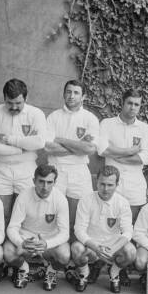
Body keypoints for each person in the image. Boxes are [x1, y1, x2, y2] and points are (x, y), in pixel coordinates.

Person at [0, 79, 47, 282]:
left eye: (18, 103)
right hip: (1, 168)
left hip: (27, 169)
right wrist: (22, 147)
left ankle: (21, 262)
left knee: (24, 216)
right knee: (0, 215)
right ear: (4, 98)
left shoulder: (36, 114)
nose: (13, 107)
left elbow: (39, 142)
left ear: (25, 99)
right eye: (9, 102)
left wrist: (11, 140)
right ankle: (1, 263)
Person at [95, 88, 148, 285]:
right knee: (105, 223)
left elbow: (144, 158)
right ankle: (97, 264)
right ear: (122, 102)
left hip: (135, 184)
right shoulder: (107, 124)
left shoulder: (144, 128)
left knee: (128, 227)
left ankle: (121, 267)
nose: (133, 107)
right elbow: (102, 150)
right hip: (112, 183)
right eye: (130, 103)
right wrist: (129, 151)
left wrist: (116, 154)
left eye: (137, 104)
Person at [3, 165, 70, 290]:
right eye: (41, 182)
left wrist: (47, 243)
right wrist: (21, 242)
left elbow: (65, 233)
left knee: (65, 255)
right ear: (34, 181)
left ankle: (51, 271)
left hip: (49, 240)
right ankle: (24, 268)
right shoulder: (23, 196)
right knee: (7, 252)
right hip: (26, 238)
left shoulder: (60, 199)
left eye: (49, 182)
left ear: (55, 182)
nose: (45, 187)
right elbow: (12, 227)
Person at [71, 166, 136, 293]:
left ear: (117, 184)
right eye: (102, 184)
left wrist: (114, 248)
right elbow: (79, 230)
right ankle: (84, 273)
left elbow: (128, 232)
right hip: (91, 245)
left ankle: (114, 272)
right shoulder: (86, 200)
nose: (105, 189)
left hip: (113, 245)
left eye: (110, 185)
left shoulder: (122, 202)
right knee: (76, 248)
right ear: (97, 182)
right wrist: (95, 247)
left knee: (131, 252)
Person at [44, 80, 99, 230]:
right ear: (63, 94)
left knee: (79, 214)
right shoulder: (53, 117)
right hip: (56, 169)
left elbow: (90, 149)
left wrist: (61, 140)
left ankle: (75, 247)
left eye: (76, 93)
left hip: (79, 170)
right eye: (68, 92)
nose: (71, 96)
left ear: (83, 97)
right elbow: (48, 147)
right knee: (52, 211)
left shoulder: (90, 118)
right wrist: (78, 146)